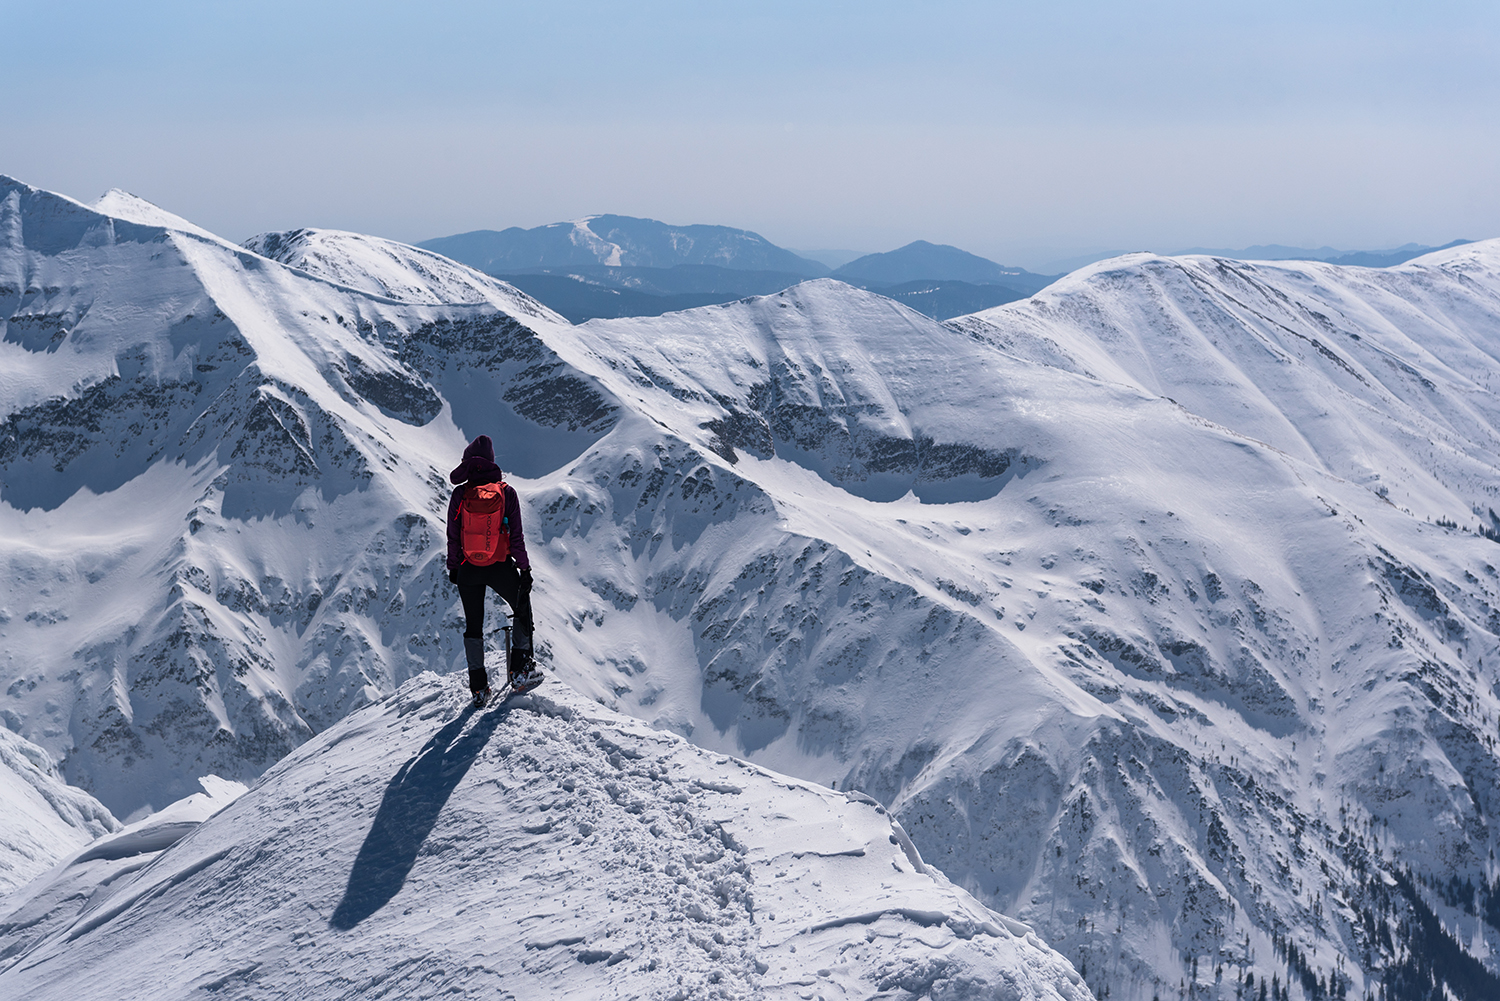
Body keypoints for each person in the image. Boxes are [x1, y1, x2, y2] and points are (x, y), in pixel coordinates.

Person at [446, 434, 540, 703]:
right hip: (500, 566)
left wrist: (454, 567)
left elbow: (453, 535)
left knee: (473, 627)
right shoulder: (506, 492)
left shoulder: (460, 494)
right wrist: (525, 570)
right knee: (522, 608)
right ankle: (520, 670)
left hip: (468, 569)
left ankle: (478, 689)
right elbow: (517, 537)